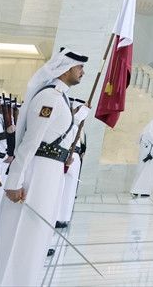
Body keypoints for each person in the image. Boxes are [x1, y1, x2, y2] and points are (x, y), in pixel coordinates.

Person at [0, 48, 88, 287]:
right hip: (35, 175)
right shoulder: (50, 97)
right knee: (21, 232)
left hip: (49, 173)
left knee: (35, 235)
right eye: (79, 67)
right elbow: (31, 141)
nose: (83, 72)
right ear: (66, 68)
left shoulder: (61, 97)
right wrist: (14, 182)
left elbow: (55, 135)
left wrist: (65, 154)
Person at [55, 96, 89, 228]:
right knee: (60, 188)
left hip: (76, 158)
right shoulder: (68, 123)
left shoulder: (80, 126)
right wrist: (83, 111)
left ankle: (64, 217)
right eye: (79, 109)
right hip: (66, 156)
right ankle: (56, 216)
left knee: (70, 189)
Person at [131, 118, 153, 196]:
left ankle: (135, 190)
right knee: (149, 172)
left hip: (143, 153)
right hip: (152, 154)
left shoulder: (144, 130)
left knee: (140, 171)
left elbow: (138, 141)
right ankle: (145, 191)